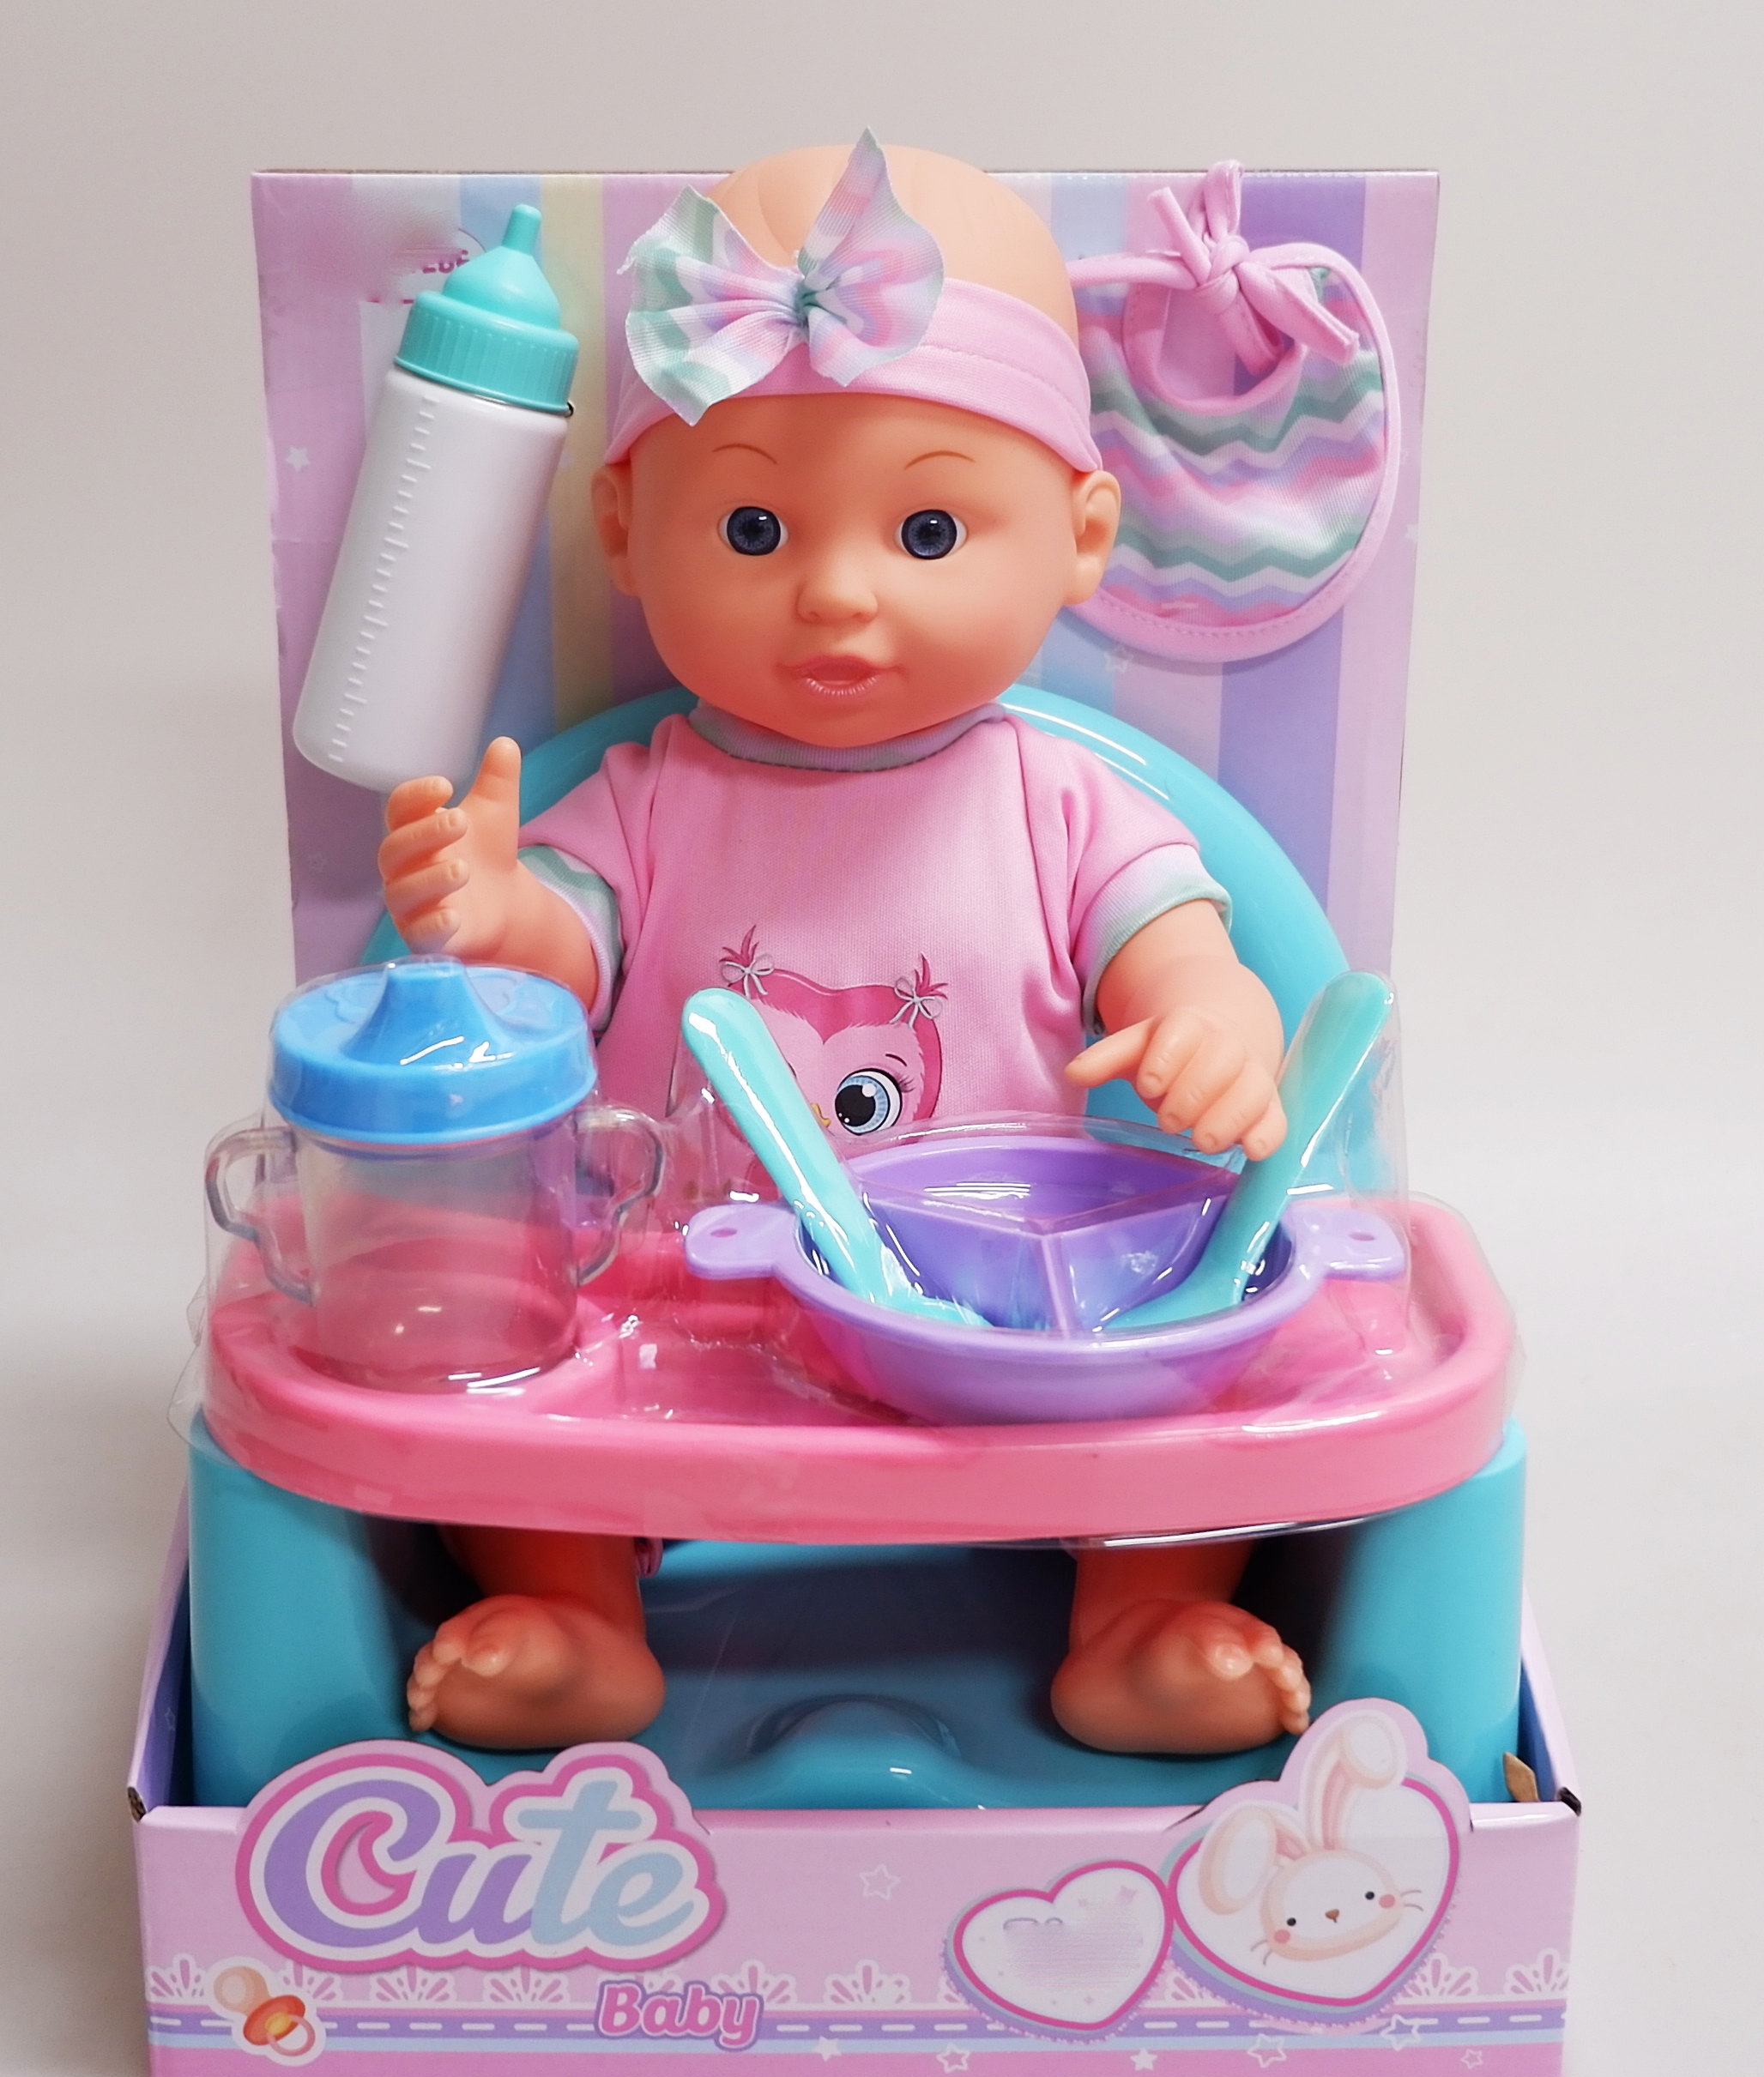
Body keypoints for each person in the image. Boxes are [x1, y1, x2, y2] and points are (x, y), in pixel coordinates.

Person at [379, 136, 1311, 1760]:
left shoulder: (1062, 802)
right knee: (503, 1384)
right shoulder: (648, 798)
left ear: (1082, 534)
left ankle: (1140, 1622)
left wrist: (1214, 1030)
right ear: (625, 526)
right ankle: (576, 1613)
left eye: (928, 533)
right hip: (682, 1310)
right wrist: (487, 914)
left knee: (1195, 1408)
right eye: (753, 528)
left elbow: (1184, 950)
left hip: (1004, 1327)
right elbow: (558, 963)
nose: (832, 595)